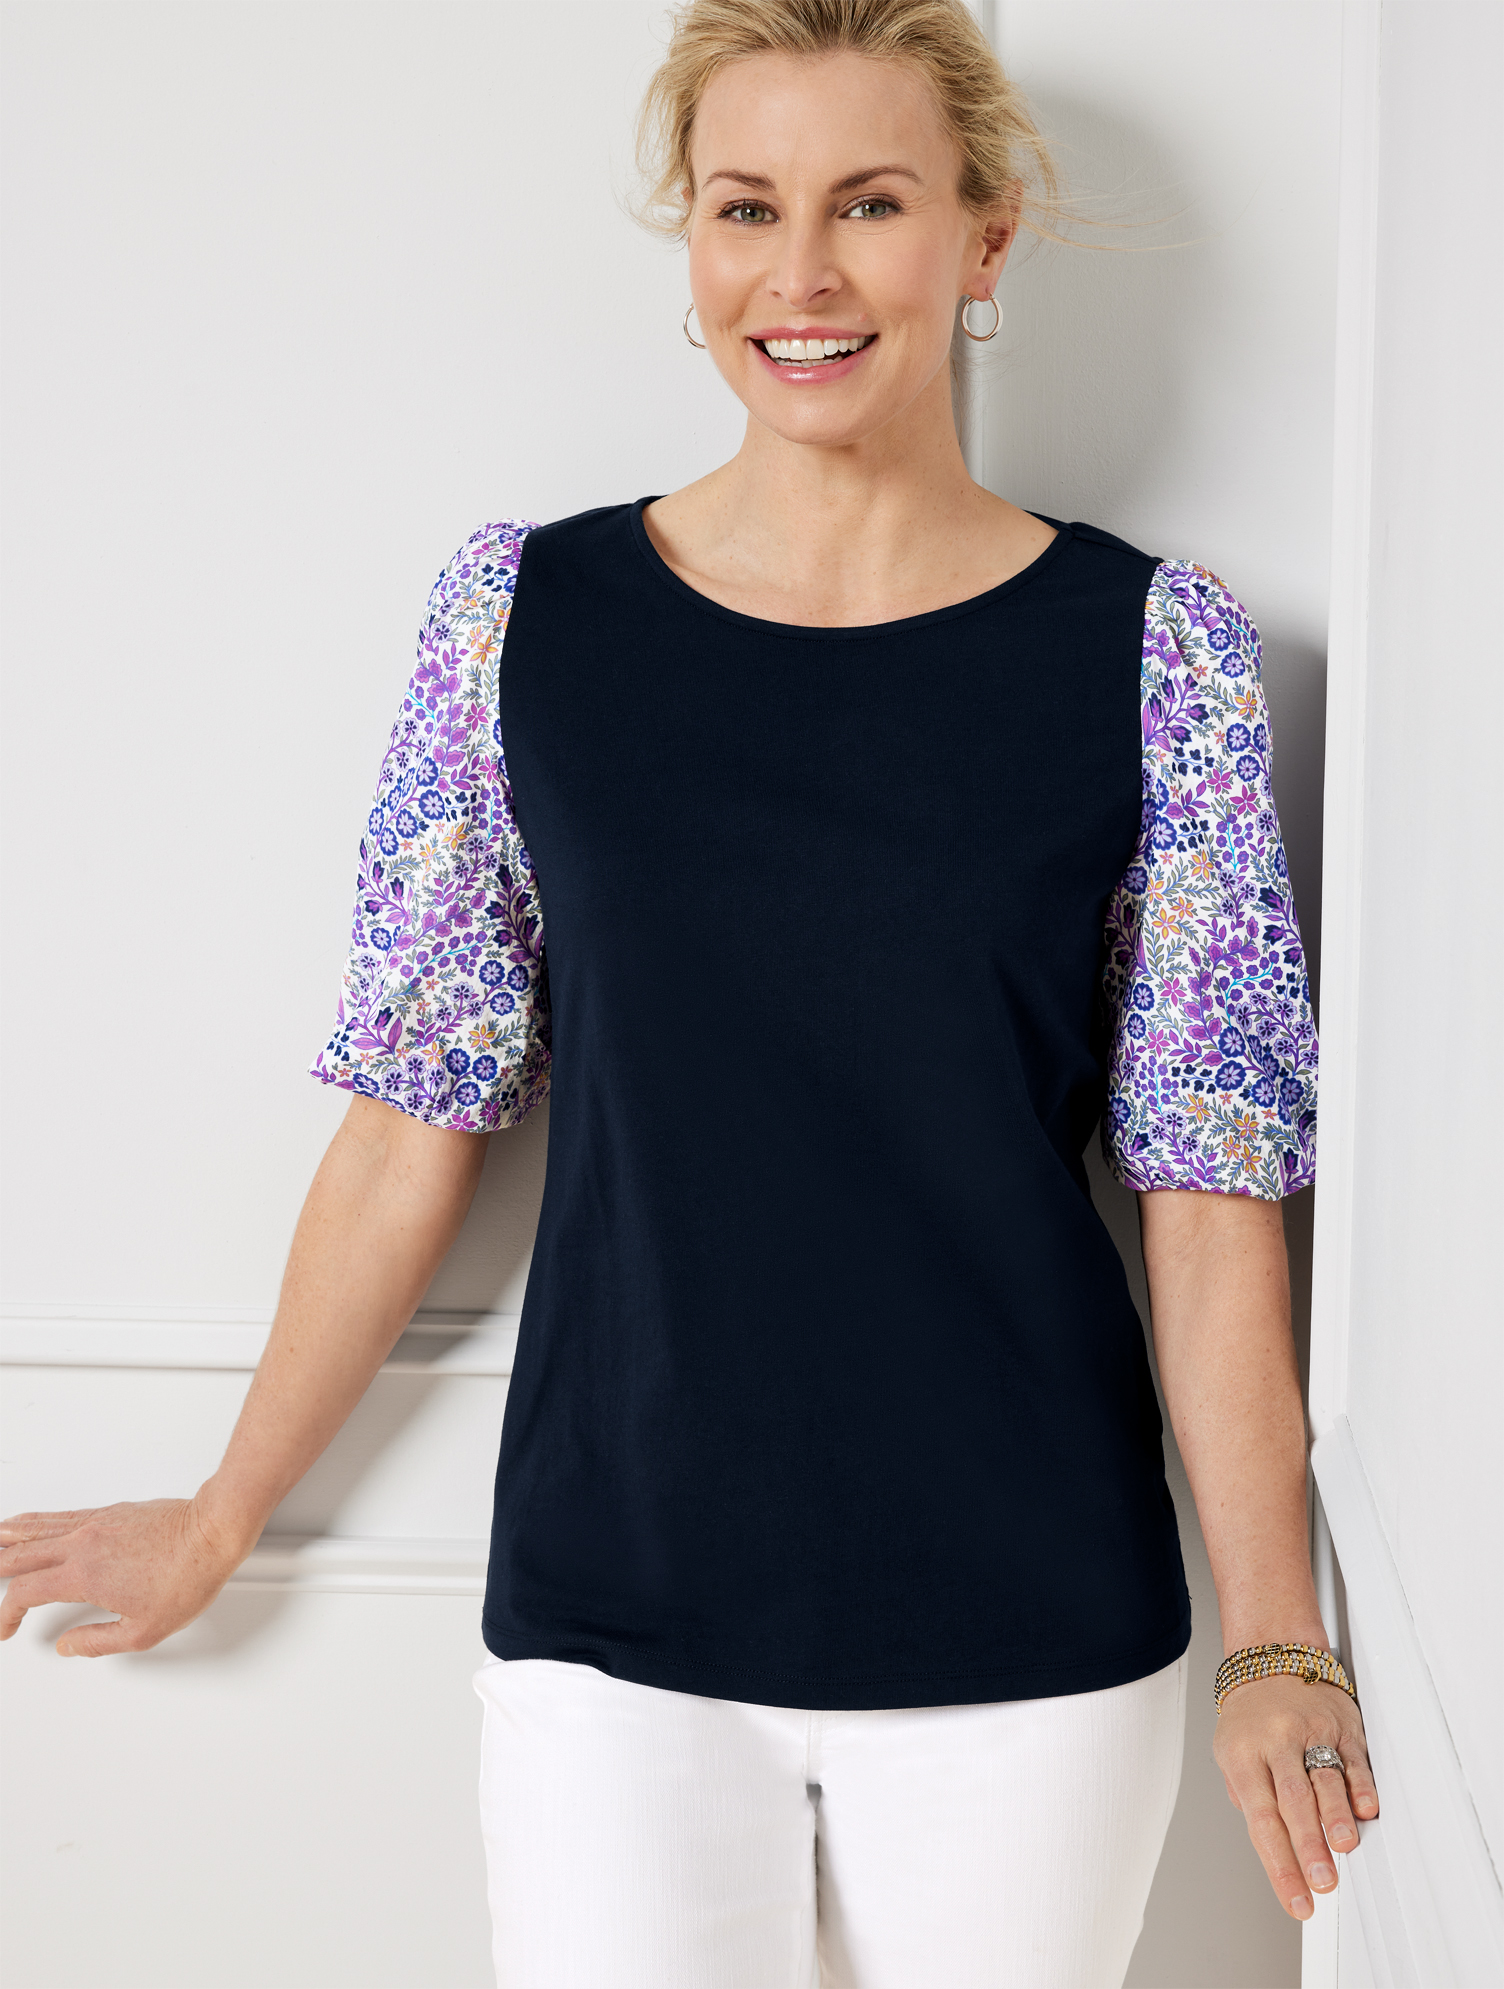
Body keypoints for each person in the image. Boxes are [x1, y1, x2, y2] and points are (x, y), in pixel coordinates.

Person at [0, 3, 1378, 1983]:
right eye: (746, 207)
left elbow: (1209, 1189)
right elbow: (408, 1116)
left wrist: (1272, 1634)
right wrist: (223, 1512)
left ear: (982, 236)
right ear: (694, 245)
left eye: (869, 204)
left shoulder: (1155, 651)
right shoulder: (521, 617)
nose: (799, 272)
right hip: (611, 1620)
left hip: (1029, 1630)